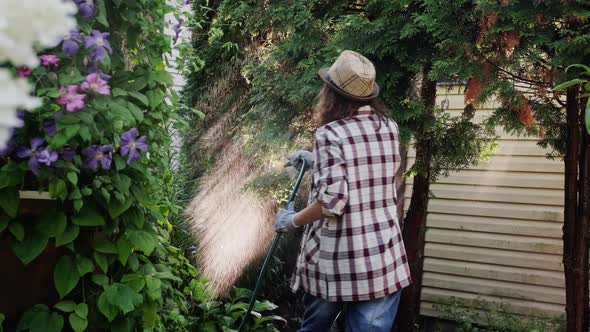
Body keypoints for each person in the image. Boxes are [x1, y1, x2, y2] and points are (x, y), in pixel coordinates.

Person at [275, 50, 411, 332]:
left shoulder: (329, 134)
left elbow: (331, 202)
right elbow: (369, 172)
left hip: (338, 264)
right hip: (382, 260)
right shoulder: (389, 128)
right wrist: (315, 160)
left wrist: (292, 220)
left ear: (332, 93)